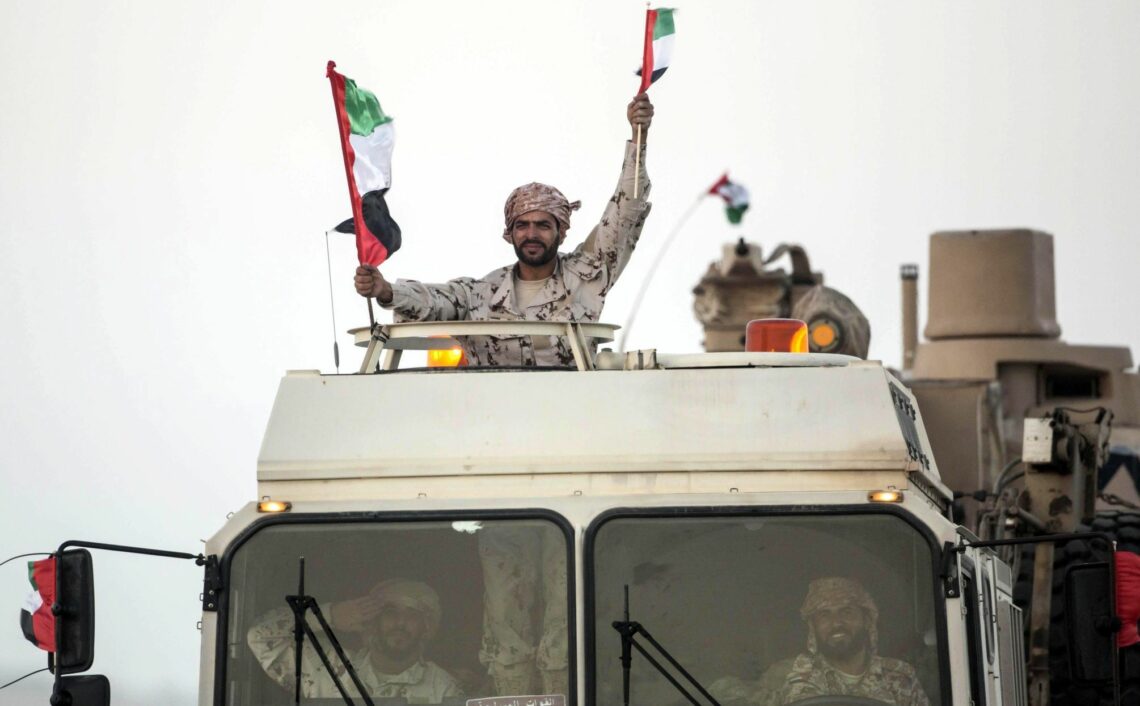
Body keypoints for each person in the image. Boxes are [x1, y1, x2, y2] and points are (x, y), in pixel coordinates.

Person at [354, 94, 656, 367]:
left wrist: (637, 140)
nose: (531, 234)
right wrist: (386, 291)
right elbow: (433, 300)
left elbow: (624, 216)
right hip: (490, 419)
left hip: (568, 416)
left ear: (561, 232)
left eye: (543, 225)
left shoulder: (587, 275)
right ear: (509, 233)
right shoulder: (481, 294)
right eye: (522, 225)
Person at [247, 578, 462, 702]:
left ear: (426, 628)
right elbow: (260, 635)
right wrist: (329, 616)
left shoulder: (442, 688)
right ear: (373, 620)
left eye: (412, 615)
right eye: (390, 612)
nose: (400, 623)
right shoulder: (326, 669)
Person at [769, 577, 930, 706]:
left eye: (847, 612)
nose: (836, 623)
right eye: (825, 615)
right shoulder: (785, 676)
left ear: (867, 620)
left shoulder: (901, 677)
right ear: (813, 626)